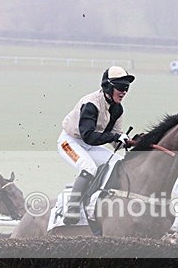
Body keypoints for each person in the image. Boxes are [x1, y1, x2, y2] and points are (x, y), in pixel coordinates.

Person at [57, 65, 136, 224]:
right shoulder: (91, 104)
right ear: (108, 87)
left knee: (117, 163)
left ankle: (96, 201)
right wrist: (115, 136)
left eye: (126, 88)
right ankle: (71, 209)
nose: (124, 92)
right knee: (88, 168)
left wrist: (130, 142)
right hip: (69, 142)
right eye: (120, 87)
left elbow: (115, 141)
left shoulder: (117, 109)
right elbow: (88, 136)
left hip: (90, 143)